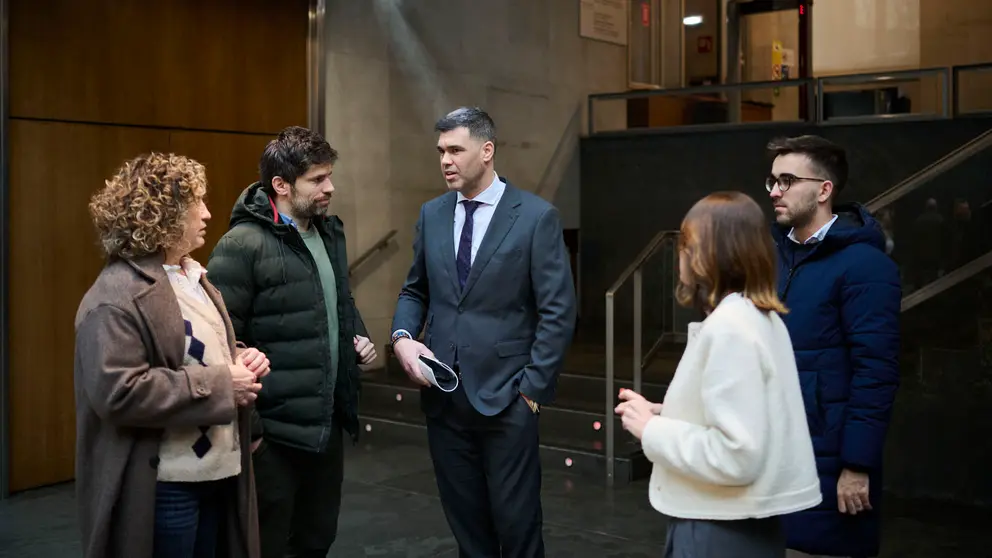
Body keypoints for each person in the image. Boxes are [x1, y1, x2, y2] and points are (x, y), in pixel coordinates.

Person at [390, 107, 576, 557]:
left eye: (456, 149)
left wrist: (531, 391)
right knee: (468, 531)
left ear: (487, 151)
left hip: (507, 399)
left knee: (518, 530)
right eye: (441, 151)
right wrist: (401, 338)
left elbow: (558, 311)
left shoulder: (535, 217)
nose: (446, 160)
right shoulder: (432, 214)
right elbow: (416, 290)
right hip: (443, 399)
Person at [75, 153, 268, 558]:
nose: (207, 212)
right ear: (162, 215)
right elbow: (119, 392)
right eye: (196, 202)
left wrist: (240, 358)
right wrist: (221, 384)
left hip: (217, 472)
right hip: (167, 486)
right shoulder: (114, 296)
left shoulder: (190, 276)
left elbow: (192, 347)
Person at [615, 191, 822, 558]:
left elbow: (737, 454)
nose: (681, 252)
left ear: (713, 254)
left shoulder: (731, 327)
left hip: (717, 528)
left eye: (688, 243)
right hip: (738, 520)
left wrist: (651, 429)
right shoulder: (758, 316)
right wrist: (666, 411)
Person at [206, 126, 377, 558]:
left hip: (325, 426)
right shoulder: (241, 245)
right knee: (268, 545)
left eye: (329, 176)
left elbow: (338, 297)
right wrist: (256, 436)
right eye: (317, 180)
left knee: (316, 539)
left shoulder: (327, 233)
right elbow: (221, 339)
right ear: (280, 185)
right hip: (274, 438)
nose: (330, 188)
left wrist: (357, 333)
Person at [765, 135, 901, 558]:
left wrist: (857, 466)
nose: (774, 191)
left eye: (787, 180)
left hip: (828, 458)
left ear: (824, 190)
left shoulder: (865, 266)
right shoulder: (773, 257)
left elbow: (875, 372)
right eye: (771, 180)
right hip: (774, 450)